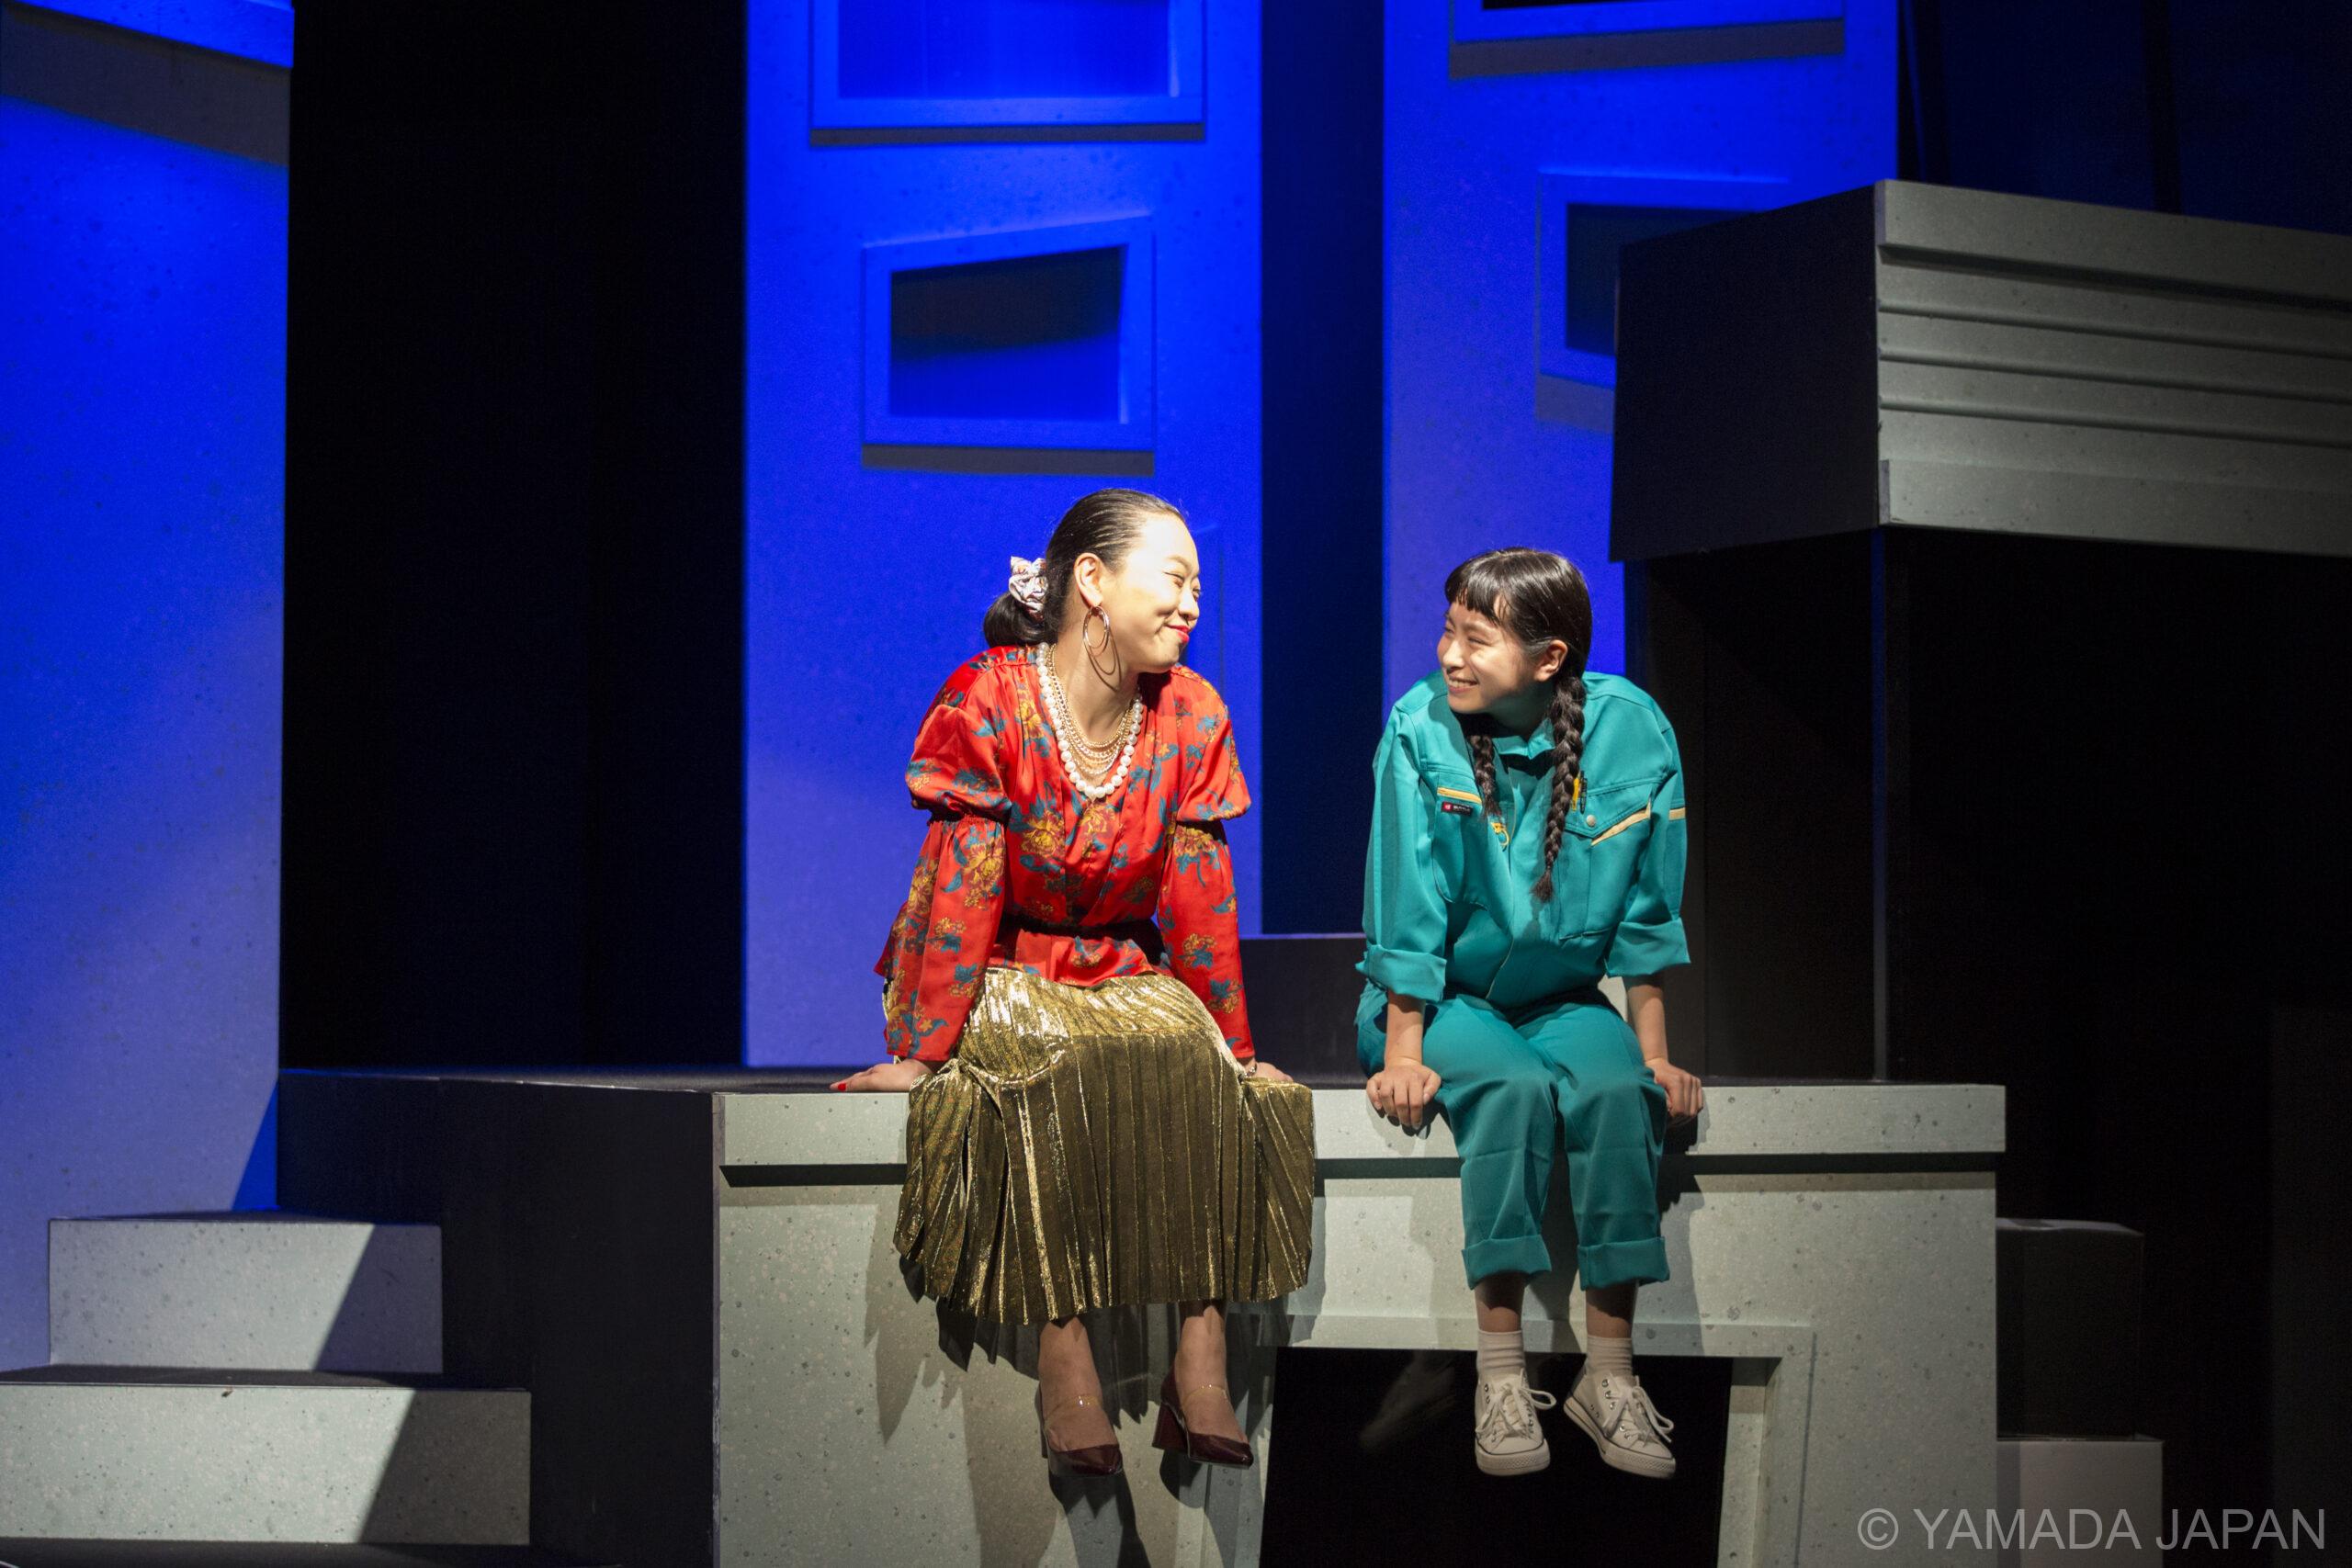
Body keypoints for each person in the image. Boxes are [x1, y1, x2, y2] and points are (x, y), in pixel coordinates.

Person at [835, 487, 1314, 1480]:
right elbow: (963, 889)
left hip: (1117, 961)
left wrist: (1232, 1047)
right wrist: (923, 1052)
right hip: (999, 960)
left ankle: (1199, 1355)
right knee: (1046, 1055)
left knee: (1189, 1057)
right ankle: (1065, 1355)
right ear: (1092, 581)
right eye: (1173, 579)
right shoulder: (990, 697)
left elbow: (1199, 905)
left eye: (1197, 585)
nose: (1192, 603)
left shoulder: (1191, 713)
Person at [1355, 546, 1704, 1479]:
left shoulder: (1634, 731)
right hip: (1436, 1000)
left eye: (1476, 639)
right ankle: (1501, 1374)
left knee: (1619, 1093)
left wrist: (1655, 1053)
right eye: (1448, 632)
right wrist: (1402, 1052)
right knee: (1508, 1089)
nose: (1449, 655)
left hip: (1559, 999)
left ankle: (1610, 1374)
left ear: (1550, 658)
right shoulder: (1419, 728)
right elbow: (1406, 905)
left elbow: (1646, 913)